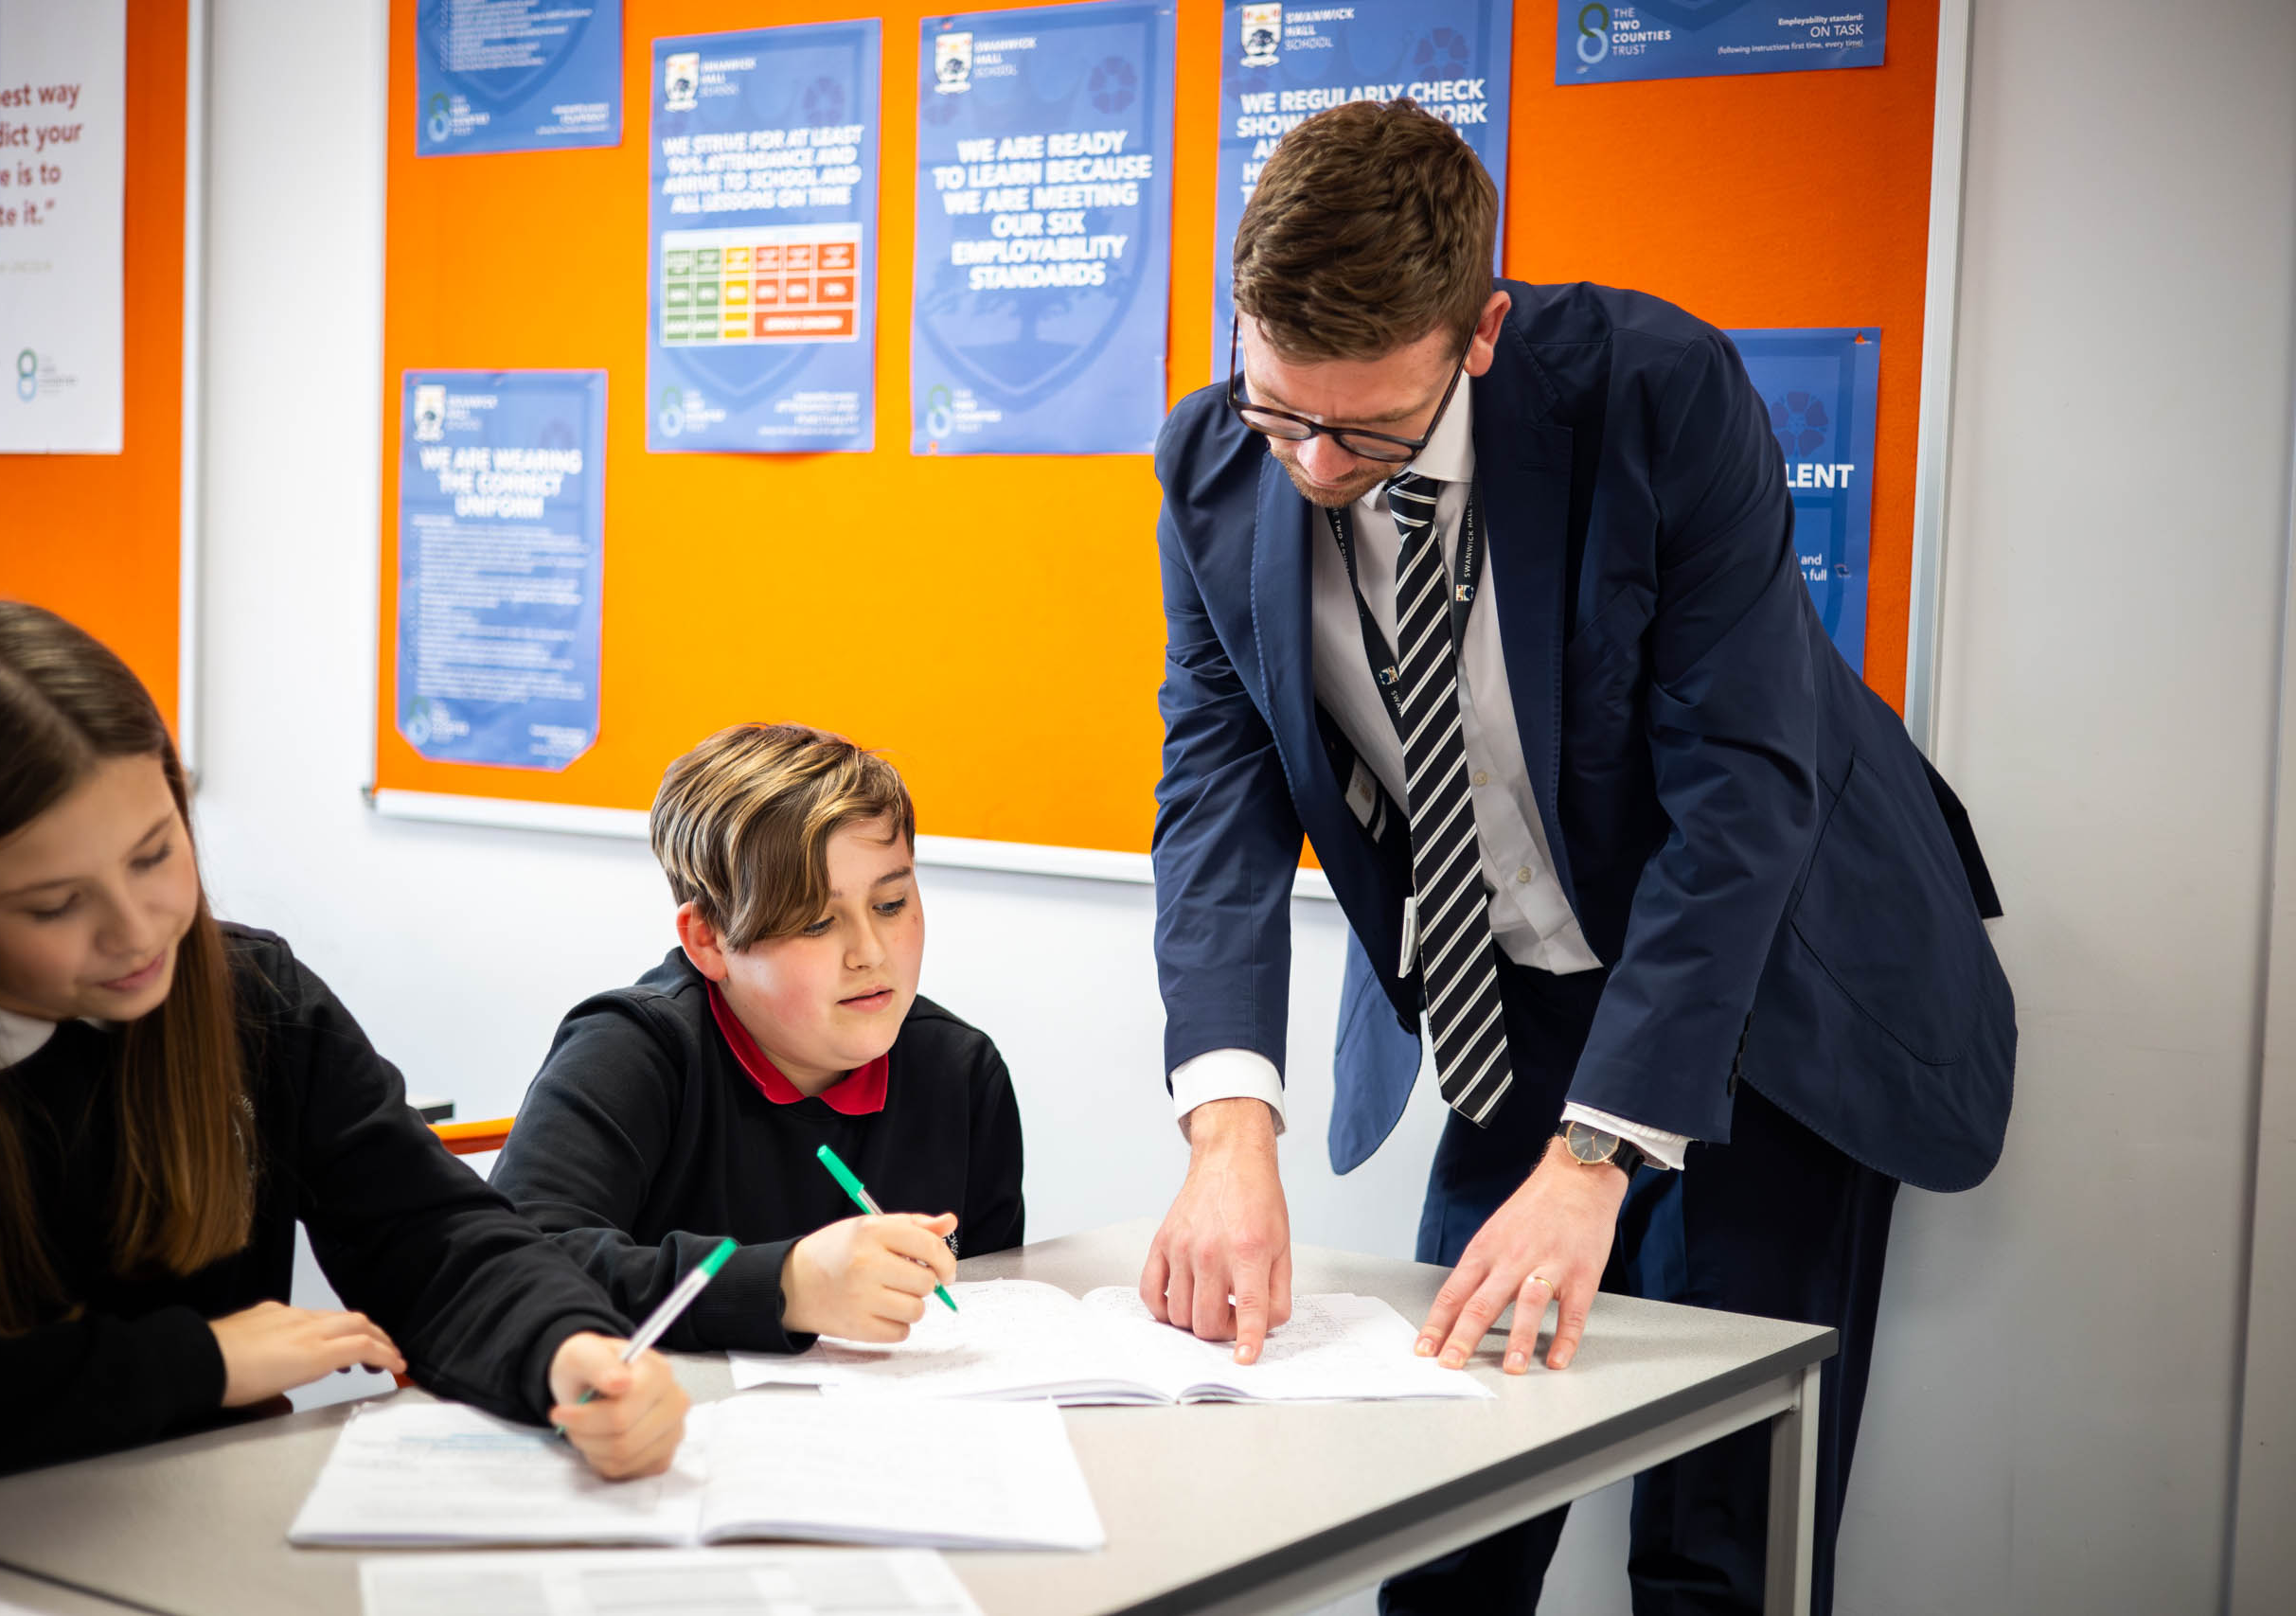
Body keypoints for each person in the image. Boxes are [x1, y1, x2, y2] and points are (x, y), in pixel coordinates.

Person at [1138, 100, 2014, 1614]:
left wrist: (1595, 1153)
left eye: (1367, 428)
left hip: (1763, 989)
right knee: (1443, 1484)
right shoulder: (1213, 464)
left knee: (1721, 1528)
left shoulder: (1656, 394)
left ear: (1479, 333)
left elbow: (1740, 787)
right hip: (1509, 995)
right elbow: (1216, 782)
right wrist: (1228, 1130)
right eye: (1279, 408)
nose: (1314, 461)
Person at [0, 601, 686, 1500]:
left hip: (202, 1520)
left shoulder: (253, 998)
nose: (137, 929)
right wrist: (201, 1361)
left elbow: (429, 1233)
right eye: (55, 904)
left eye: (154, 854)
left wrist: (564, 1345)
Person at [491, 722, 1023, 1355]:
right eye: (817, 922)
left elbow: (987, 1297)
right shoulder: (628, 1052)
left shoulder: (961, 1070)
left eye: (890, 904)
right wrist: (787, 1284)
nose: (871, 952)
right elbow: (513, 1270)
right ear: (709, 940)